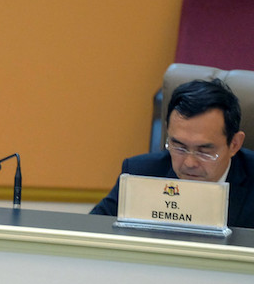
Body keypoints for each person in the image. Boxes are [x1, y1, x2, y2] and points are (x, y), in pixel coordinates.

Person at [90, 78, 254, 228]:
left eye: (204, 151)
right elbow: (92, 231)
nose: (189, 163)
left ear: (234, 144)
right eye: (179, 147)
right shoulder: (139, 174)